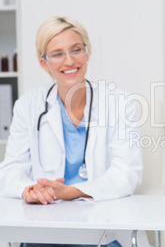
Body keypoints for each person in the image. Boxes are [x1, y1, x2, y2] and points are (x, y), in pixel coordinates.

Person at [0, 17, 143, 247]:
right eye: (57, 54)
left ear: (87, 53)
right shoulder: (28, 105)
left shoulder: (118, 102)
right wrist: (28, 190)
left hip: (102, 229)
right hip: (44, 228)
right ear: (44, 63)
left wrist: (73, 191)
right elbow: (10, 170)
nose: (70, 60)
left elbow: (127, 173)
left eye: (76, 50)